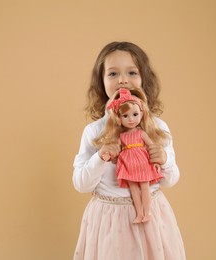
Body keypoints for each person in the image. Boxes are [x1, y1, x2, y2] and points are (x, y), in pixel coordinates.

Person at [73, 41, 186, 260]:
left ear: (144, 78)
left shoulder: (157, 128)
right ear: (101, 82)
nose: (123, 80)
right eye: (113, 73)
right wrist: (101, 157)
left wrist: (164, 160)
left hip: (152, 218)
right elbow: (81, 184)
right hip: (108, 220)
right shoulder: (94, 132)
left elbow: (170, 180)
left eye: (132, 72)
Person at [94, 87, 166, 224]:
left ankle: (148, 212)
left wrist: (156, 162)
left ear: (141, 114)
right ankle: (139, 213)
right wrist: (108, 155)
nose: (131, 119)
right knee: (133, 188)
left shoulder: (141, 133)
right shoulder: (121, 136)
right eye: (125, 116)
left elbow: (152, 147)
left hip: (142, 162)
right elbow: (115, 149)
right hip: (128, 165)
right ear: (119, 119)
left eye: (135, 114)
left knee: (145, 187)